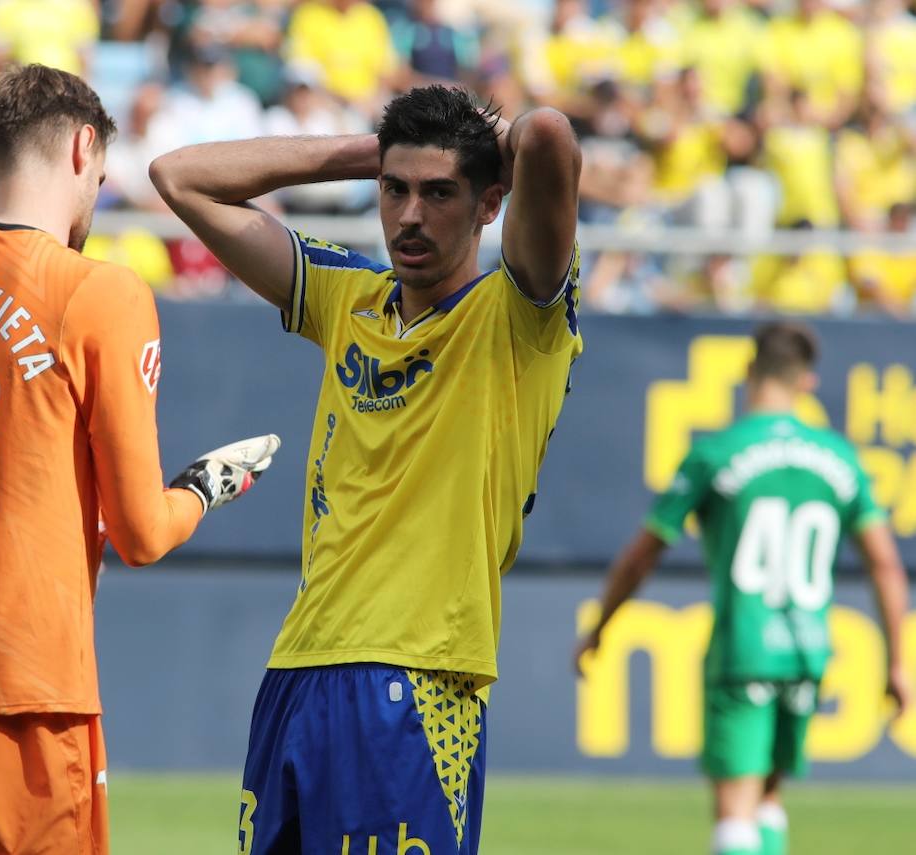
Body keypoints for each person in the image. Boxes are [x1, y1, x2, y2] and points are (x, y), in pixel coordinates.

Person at [151, 85, 583, 853]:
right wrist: (368, 152)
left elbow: (547, 134)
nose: (410, 215)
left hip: (418, 680)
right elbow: (179, 177)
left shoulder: (519, 316)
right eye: (394, 190)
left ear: (490, 204)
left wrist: (486, 143)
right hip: (296, 670)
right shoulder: (346, 294)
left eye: (439, 193)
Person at [0, 63, 280, 854]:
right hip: (23, 688)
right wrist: (206, 487)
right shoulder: (101, 292)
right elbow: (142, 533)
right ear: (85, 148)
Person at [574, 322, 910, 855]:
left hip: (744, 649)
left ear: (749, 371)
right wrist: (897, 663)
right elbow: (887, 566)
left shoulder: (718, 454)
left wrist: (601, 625)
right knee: (768, 796)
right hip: (808, 653)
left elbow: (642, 556)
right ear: (807, 382)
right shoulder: (841, 459)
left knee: (734, 811)